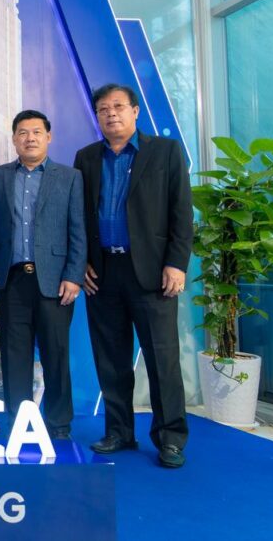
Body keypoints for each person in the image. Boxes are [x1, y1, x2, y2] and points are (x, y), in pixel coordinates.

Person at [74, 83, 193, 468]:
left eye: (118, 107)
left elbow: (181, 211)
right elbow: (79, 216)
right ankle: (119, 432)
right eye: (103, 109)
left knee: (162, 359)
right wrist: (82, 262)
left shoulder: (165, 151)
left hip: (153, 273)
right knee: (111, 359)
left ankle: (170, 438)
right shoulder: (86, 157)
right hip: (103, 272)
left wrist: (176, 263)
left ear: (135, 111)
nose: (111, 114)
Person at [0, 109, 85, 439]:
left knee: (56, 353)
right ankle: (18, 422)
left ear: (48, 137)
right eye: (23, 133)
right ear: (14, 139)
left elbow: (78, 230)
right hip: (11, 279)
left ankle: (59, 424)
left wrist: (74, 275)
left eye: (37, 132)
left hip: (54, 280)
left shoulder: (69, 177)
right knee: (14, 355)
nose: (30, 138)